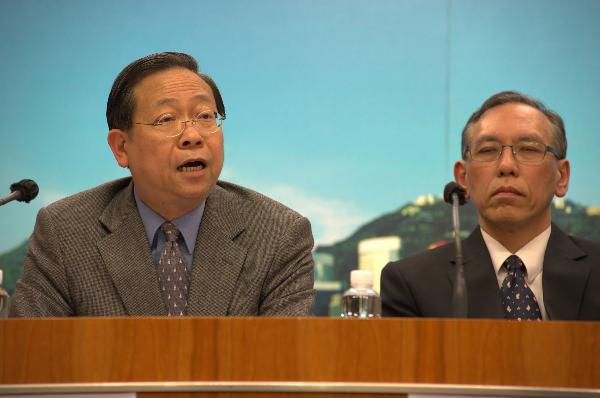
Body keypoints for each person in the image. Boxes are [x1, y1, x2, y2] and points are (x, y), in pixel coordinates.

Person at [10, 52, 315, 317]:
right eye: (166, 119)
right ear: (121, 147)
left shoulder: (278, 235)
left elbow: (283, 365)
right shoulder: (66, 232)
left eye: (205, 116)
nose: (193, 135)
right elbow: (33, 362)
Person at [381, 91, 600, 320]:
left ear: (562, 176)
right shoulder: (412, 284)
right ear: (463, 178)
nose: (506, 166)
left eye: (529, 149)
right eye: (487, 150)